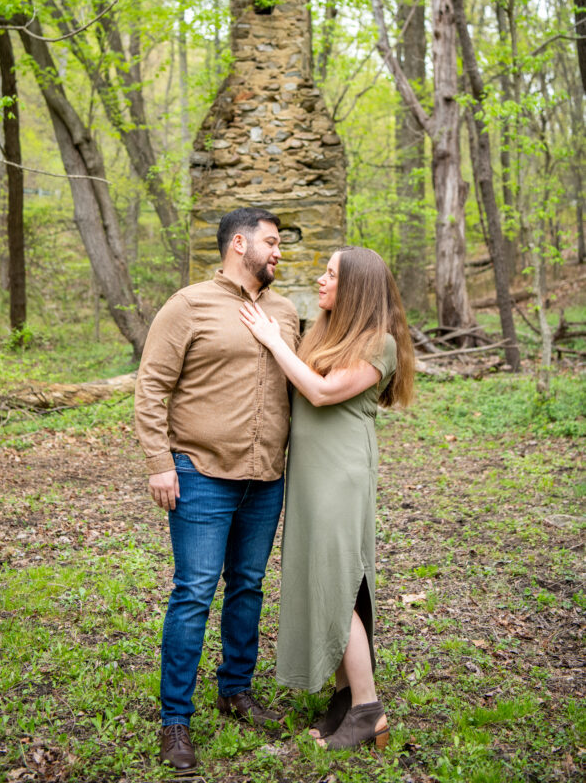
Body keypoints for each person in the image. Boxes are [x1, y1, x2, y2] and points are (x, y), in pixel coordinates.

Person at [134, 207, 300, 771]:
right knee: (194, 593)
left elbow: (304, 382)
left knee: (248, 586)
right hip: (201, 474)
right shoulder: (188, 306)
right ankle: (175, 721)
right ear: (239, 244)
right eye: (271, 243)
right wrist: (161, 462)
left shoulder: (285, 310)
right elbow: (151, 385)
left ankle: (236, 689)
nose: (279, 253)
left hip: (266, 478)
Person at [239, 246, 414, 751]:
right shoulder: (328, 332)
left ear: (355, 286)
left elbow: (319, 392)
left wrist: (273, 339)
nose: (320, 280)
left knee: (341, 584)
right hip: (311, 476)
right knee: (323, 576)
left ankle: (367, 711)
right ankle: (343, 699)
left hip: (340, 475)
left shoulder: (379, 343)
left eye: (330, 274)